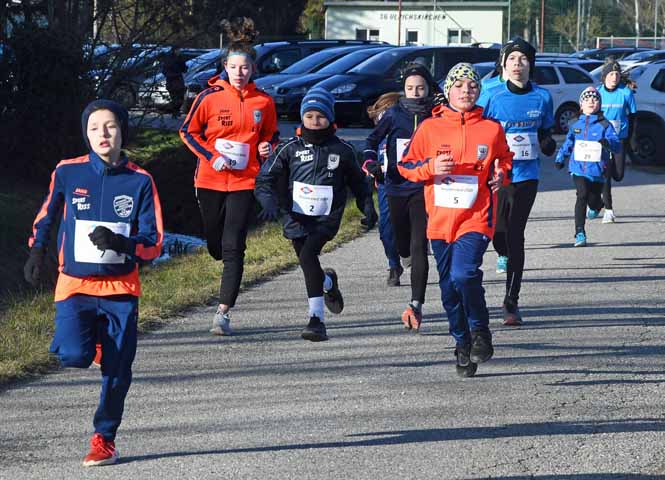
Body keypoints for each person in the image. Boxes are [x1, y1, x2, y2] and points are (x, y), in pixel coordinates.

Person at [23, 99, 164, 466]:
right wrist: (37, 251)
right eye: (94, 128)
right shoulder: (68, 172)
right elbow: (47, 215)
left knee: (119, 372)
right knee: (73, 355)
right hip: (74, 286)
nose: (103, 134)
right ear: (85, 134)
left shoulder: (140, 181)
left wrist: (122, 243)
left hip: (121, 292)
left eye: (111, 126)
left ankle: (104, 438)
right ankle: (91, 345)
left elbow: (154, 244)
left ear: (122, 131)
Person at [398, 63, 513, 377]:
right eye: (459, 86)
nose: (466, 91)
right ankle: (462, 344)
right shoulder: (430, 128)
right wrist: (432, 167)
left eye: (472, 87)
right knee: (449, 288)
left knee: (464, 274)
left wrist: (501, 175)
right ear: (448, 91)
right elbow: (406, 166)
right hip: (440, 219)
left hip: (476, 216)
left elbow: (505, 158)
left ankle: (480, 330)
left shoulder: (491, 128)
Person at [179, 18, 279, 336]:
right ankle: (217, 249)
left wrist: (267, 147)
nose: (240, 73)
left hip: (245, 180)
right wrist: (212, 156)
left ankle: (223, 313)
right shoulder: (208, 98)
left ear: (252, 69)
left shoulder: (263, 101)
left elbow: (272, 135)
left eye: (245, 68)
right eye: (234, 67)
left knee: (234, 245)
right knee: (216, 244)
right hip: (209, 179)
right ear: (225, 67)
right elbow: (188, 132)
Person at [255, 88, 374, 341]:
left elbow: (359, 184)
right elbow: (265, 179)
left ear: (330, 118)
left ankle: (316, 319)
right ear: (301, 118)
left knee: (309, 256)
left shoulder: (343, 150)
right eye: (309, 115)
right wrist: (269, 202)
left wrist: (368, 209)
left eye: (320, 116)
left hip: (326, 218)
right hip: (295, 216)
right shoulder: (289, 149)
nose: (314, 121)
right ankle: (328, 283)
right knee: (309, 264)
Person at [476, 37, 556, 326]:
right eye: (512, 59)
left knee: (515, 234)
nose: (518, 64)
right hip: (495, 175)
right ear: (503, 63)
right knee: (497, 232)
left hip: (527, 176)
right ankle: (504, 255)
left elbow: (546, 129)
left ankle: (511, 301)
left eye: (523, 59)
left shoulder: (542, 96)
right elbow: (476, 127)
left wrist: (547, 143)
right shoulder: (490, 92)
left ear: (530, 64)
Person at [362, 63, 440, 332]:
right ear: (403, 90)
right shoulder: (393, 114)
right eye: (410, 88)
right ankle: (403, 255)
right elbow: (370, 142)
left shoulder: (437, 115)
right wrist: (371, 164)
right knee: (402, 242)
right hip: (395, 185)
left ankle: (416, 303)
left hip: (424, 186)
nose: (415, 93)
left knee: (420, 245)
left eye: (420, 88)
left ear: (429, 88)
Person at [555, 87, 621, 246]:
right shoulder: (575, 124)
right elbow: (569, 143)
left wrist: (608, 143)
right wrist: (560, 157)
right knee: (582, 194)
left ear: (600, 104)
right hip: (578, 168)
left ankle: (598, 205)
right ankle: (579, 233)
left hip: (598, 170)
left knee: (593, 200)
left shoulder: (605, 125)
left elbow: (617, 145)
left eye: (595, 99)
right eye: (587, 99)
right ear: (581, 104)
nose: (591, 101)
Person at [588, 58, 637, 224]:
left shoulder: (626, 93)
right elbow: (590, 115)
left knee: (618, 175)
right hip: (601, 141)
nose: (614, 77)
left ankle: (599, 203)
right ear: (604, 76)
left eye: (616, 73)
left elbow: (633, 117)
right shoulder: (598, 92)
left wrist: (630, 141)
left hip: (620, 140)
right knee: (606, 175)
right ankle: (608, 210)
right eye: (611, 74)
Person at [365, 92, 403, 286]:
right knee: (386, 229)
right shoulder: (378, 139)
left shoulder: (409, 130)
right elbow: (368, 158)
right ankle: (394, 264)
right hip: (386, 186)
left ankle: (408, 251)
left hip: (412, 186)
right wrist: (372, 169)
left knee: (411, 226)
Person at [161, 47, 188, 116]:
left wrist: (183, 66)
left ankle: (174, 110)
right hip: (172, 80)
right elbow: (165, 70)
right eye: (177, 50)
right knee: (175, 97)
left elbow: (184, 69)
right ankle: (171, 110)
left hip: (178, 79)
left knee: (180, 97)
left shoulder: (180, 58)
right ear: (174, 51)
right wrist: (171, 75)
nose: (179, 52)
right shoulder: (169, 59)